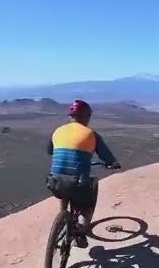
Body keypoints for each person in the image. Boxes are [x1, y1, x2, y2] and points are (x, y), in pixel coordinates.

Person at [46, 99, 120, 247]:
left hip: (53, 182)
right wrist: (112, 164)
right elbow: (106, 156)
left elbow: (49, 151)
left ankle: (63, 217)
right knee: (88, 197)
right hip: (78, 183)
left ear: (70, 116)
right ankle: (82, 232)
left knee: (65, 188)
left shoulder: (58, 131)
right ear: (86, 117)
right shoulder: (92, 135)